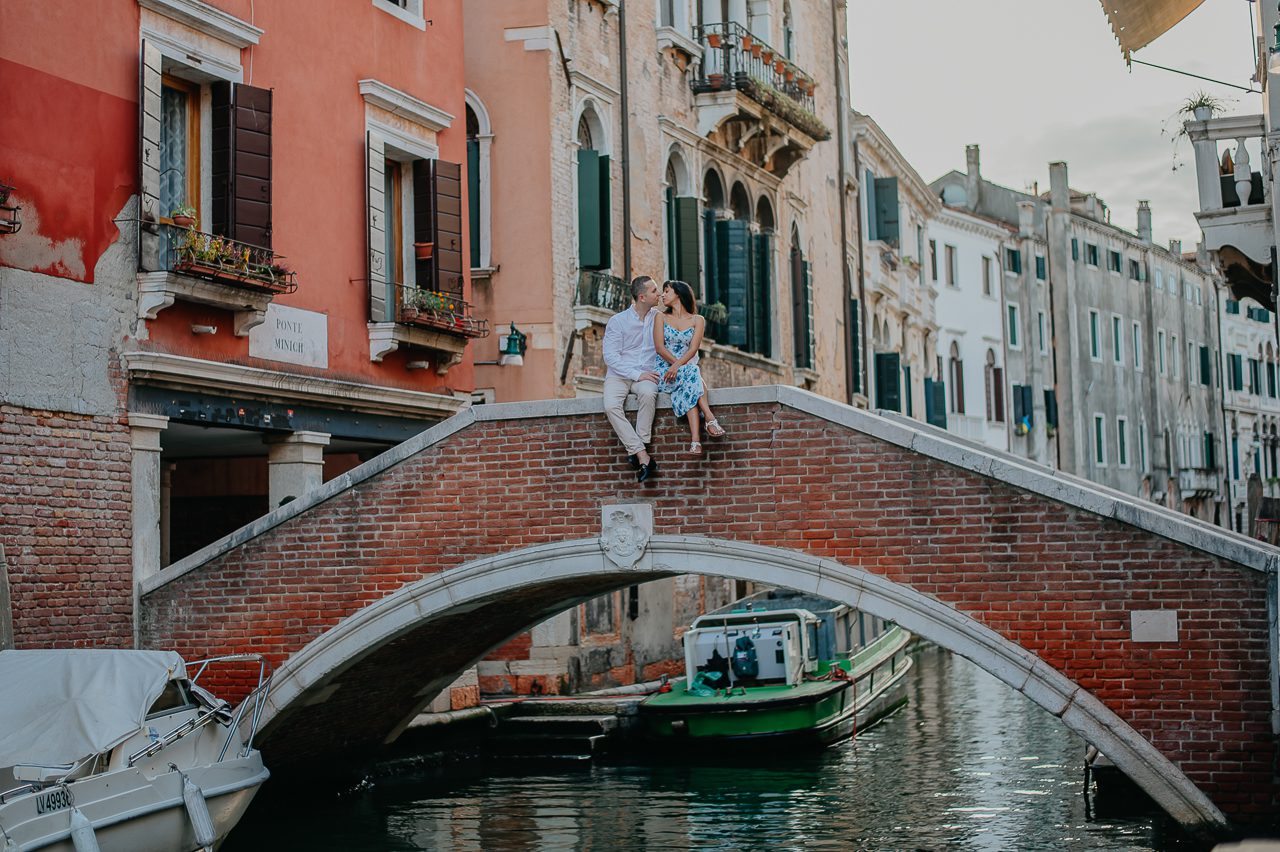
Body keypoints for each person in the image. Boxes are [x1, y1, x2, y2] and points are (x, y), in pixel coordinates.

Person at [652, 280, 726, 456]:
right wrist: (674, 367)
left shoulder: (698, 320)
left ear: (678, 294)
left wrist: (677, 366)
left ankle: (695, 441)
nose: (663, 295)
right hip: (665, 371)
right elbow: (659, 348)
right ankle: (709, 418)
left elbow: (693, 349)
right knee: (693, 374)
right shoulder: (660, 317)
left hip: (682, 369)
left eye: (666, 291)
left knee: (690, 384)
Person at [603, 276, 662, 482]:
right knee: (611, 406)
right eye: (655, 291)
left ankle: (640, 448)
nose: (659, 294)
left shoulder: (658, 318)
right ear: (642, 296)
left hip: (646, 374)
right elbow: (610, 357)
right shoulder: (618, 321)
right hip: (619, 375)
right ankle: (642, 454)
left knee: (648, 393)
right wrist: (636, 374)